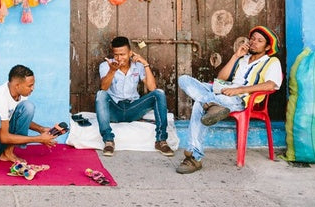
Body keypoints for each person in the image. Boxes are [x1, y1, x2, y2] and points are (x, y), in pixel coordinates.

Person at [174, 24, 283, 174]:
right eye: (252, 39)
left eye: (259, 41)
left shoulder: (272, 62)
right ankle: (211, 104)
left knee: (199, 105)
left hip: (240, 99)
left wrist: (240, 89)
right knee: (184, 79)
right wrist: (236, 56)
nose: (253, 42)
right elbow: (221, 78)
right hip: (222, 91)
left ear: (267, 47)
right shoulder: (243, 59)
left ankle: (194, 157)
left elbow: (271, 85)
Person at [0, 64, 62, 177]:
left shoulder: (21, 94)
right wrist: (39, 139)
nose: (33, 88)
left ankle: (7, 153)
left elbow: (14, 119)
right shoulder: (0, 97)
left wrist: (41, 129)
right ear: (17, 85)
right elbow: (4, 137)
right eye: (30, 85)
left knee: (28, 107)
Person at [95, 36, 171, 157]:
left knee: (159, 93)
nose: (119, 58)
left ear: (130, 53)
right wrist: (112, 71)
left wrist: (145, 64)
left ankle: (161, 140)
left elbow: (152, 88)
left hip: (133, 108)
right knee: (101, 94)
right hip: (115, 111)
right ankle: (108, 141)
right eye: (116, 55)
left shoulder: (138, 66)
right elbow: (103, 87)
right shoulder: (106, 66)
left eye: (123, 54)